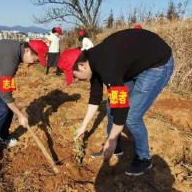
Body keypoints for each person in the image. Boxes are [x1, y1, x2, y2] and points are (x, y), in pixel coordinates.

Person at [58, 28, 174, 176]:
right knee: (111, 104)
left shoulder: (108, 67)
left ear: (81, 65)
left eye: (74, 76)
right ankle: (115, 147)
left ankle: (144, 158)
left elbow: (121, 107)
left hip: (157, 64)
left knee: (132, 115)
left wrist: (111, 139)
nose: (75, 80)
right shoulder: (92, 61)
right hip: (134, 62)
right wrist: (83, 126)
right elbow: (95, 97)